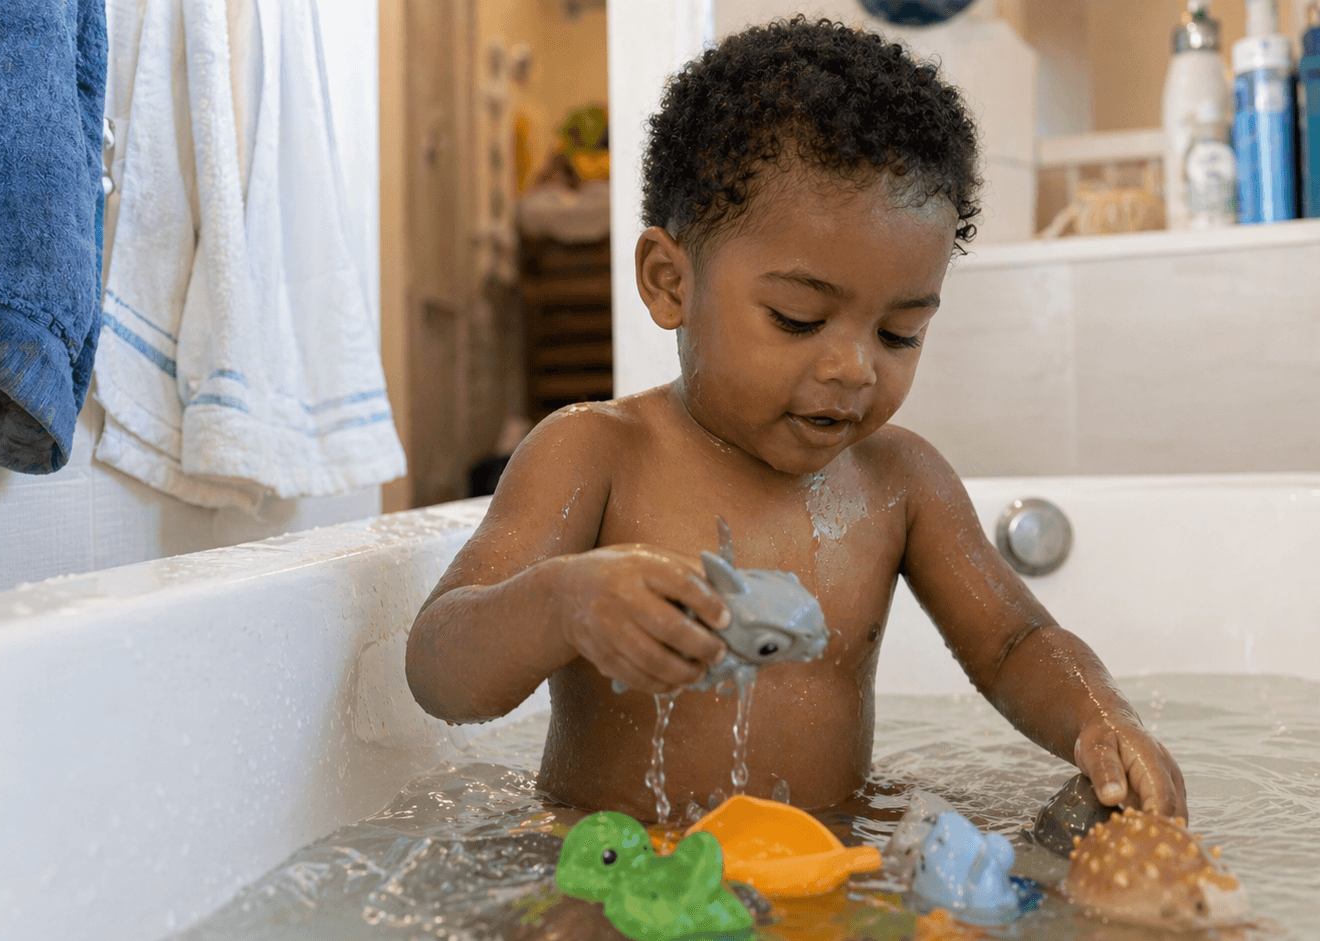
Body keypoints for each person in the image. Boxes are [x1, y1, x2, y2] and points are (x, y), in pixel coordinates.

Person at [405, 17, 1186, 823]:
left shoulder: (901, 483)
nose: (855, 367)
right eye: (798, 318)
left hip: (829, 867)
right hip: (623, 872)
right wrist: (560, 602)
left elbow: (1014, 642)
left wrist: (1102, 717)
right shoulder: (593, 455)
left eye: (899, 333)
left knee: (1097, 858)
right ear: (669, 281)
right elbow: (440, 670)